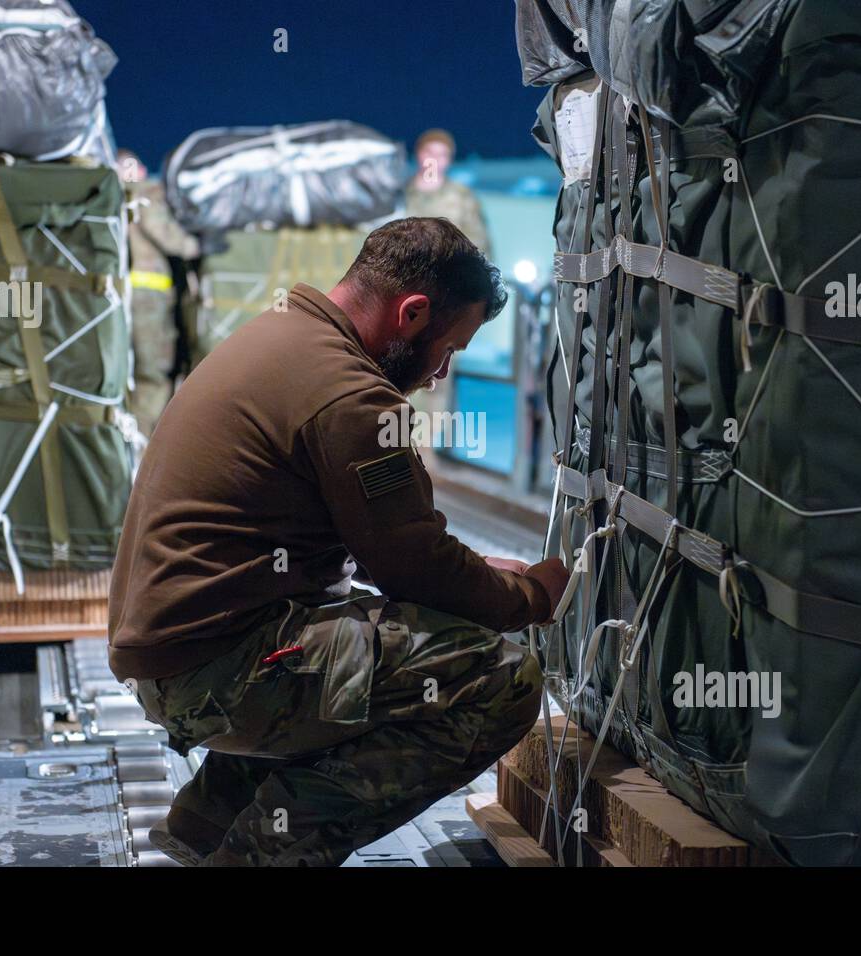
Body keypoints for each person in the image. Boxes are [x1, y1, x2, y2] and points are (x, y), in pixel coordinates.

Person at [109, 217, 569, 866]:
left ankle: (209, 821)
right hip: (213, 672)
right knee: (499, 677)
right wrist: (527, 594)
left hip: (178, 653)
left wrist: (471, 573)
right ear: (412, 313)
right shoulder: (350, 394)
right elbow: (415, 569)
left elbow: (393, 548)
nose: (439, 374)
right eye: (449, 349)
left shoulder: (281, 336)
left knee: (367, 639)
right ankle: (258, 854)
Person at [116, 149, 199, 437]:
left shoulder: (103, 199)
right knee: (153, 376)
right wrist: (199, 245)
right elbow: (165, 234)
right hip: (147, 300)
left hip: (113, 298)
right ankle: (144, 447)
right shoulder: (144, 193)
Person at [404, 129, 492, 257]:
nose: (435, 159)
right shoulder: (398, 194)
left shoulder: (463, 196)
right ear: (418, 153)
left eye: (442, 154)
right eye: (429, 152)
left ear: (449, 160)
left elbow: (479, 242)